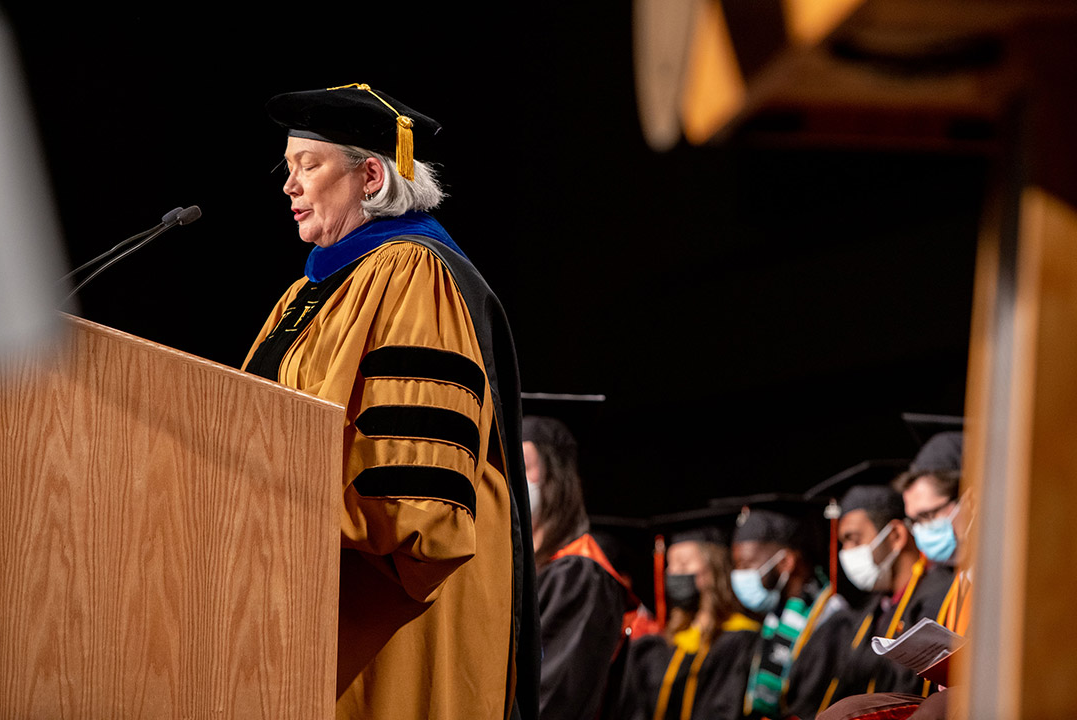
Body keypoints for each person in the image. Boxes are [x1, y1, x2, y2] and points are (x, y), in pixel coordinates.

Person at [242, 83, 539, 720]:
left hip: (385, 607)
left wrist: (284, 516)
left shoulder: (414, 273)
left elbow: (414, 498)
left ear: (371, 174)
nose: (289, 186)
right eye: (287, 169)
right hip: (304, 584)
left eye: (308, 166)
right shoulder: (304, 296)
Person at [817, 432, 972, 720]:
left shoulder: (942, 592)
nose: (919, 529)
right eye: (915, 519)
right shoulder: (869, 612)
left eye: (926, 516)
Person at [787, 484, 955, 719]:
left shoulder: (941, 598)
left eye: (854, 540)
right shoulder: (868, 613)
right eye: (843, 543)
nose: (846, 552)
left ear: (896, 536)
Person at [524, 415, 636, 720]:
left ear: (554, 477)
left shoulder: (579, 575)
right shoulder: (521, 569)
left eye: (523, 468)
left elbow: (553, 695)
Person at [616, 526, 760, 720]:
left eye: (683, 565)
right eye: (670, 565)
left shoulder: (741, 640)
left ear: (713, 570)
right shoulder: (663, 645)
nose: (674, 573)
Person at [732, 507, 845, 719]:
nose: (739, 576)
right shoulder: (772, 619)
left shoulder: (833, 619)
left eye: (746, 565)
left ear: (786, 562)